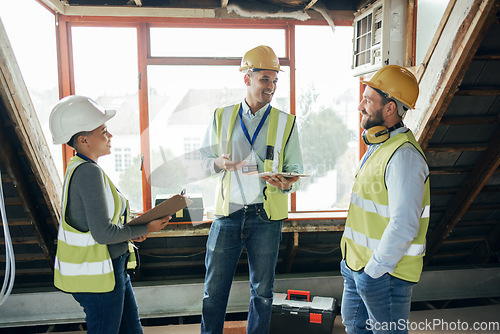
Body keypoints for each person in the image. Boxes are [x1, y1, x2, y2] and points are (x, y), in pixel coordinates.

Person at [199, 45, 304, 334]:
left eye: (275, 80)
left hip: (265, 217)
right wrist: (218, 163)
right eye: (265, 79)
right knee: (214, 292)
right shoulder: (222, 117)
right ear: (247, 79)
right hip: (227, 214)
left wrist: (286, 184)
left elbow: (295, 170)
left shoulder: (286, 122)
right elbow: (201, 162)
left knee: (263, 293)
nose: (271, 86)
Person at [49, 95, 170, 334]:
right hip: (99, 278)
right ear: (84, 140)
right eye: (104, 131)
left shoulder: (84, 168)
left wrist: (133, 232)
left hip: (112, 270)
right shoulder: (88, 173)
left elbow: (104, 223)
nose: (110, 136)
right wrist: (146, 228)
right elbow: (103, 233)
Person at [340, 65, 430, 334]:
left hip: (385, 275)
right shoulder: (379, 147)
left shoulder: (404, 156)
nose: (360, 106)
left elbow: (404, 224)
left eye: (368, 100)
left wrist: (374, 271)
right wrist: (351, 265)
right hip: (357, 267)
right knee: (355, 328)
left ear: (390, 108)